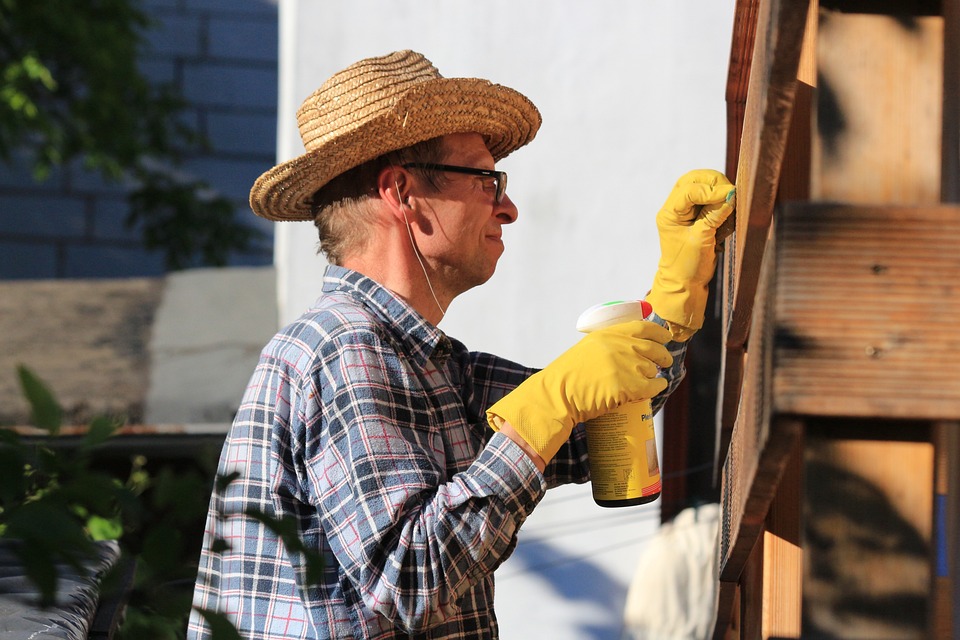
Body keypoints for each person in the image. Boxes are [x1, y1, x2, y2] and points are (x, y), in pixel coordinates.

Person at [187, 50, 735, 640]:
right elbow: (409, 581)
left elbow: (602, 416)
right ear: (402, 192)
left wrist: (672, 302)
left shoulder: (426, 364)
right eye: (486, 179)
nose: (508, 205)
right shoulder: (343, 349)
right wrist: (545, 405)